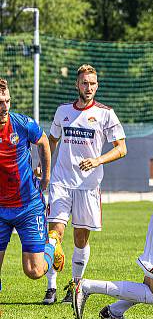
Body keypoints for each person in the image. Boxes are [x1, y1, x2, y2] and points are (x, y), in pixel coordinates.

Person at [43, 64, 127, 305]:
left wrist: (98, 160)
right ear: (77, 85)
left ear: (97, 85)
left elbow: (121, 148)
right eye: (84, 83)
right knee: (54, 234)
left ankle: (75, 285)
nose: (88, 87)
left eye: (92, 83)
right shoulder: (62, 112)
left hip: (88, 187)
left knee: (81, 239)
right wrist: (44, 167)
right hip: (61, 182)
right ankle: (51, 287)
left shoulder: (106, 114)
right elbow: (52, 140)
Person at [0, 78, 64, 292]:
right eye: (0, 102)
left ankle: (52, 244)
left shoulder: (21, 123)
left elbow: (44, 141)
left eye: (7, 101)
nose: (4, 107)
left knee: (34, 271)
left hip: (28, 206)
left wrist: (45, 176)